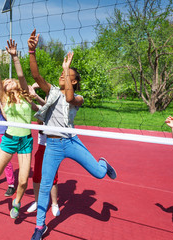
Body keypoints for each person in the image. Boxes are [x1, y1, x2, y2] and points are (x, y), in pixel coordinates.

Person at [28, 29, 117, 240]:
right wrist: (32, 51)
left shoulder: (79, 97)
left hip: (71, 142)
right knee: (45, 186)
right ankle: (40, 227)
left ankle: (103, 163)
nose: (62, 75)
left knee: (98, 173)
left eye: (67, 75)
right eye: (61, 73)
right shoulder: (51, 92)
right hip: (53, 145)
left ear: (74, 82)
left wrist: (67, 68)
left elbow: (69, 98)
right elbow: (35, 75)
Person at [0, 39, 34, 219]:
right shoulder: (4, 99)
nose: (9, 81)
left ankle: (17, 202)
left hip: (26, 141)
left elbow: (21, 77)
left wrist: (15, 56)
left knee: (24, 180)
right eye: (6, 82)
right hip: (10, 139)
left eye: (11, 80)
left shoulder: (26, 95)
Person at [27, 120, 60, 217]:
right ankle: (37, 202)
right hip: (41, 147)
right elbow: (38, 117)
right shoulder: (42, 109)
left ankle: (54, 204)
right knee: (36, 177)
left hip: (53, 147)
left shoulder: (56, 111)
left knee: (53, 178)